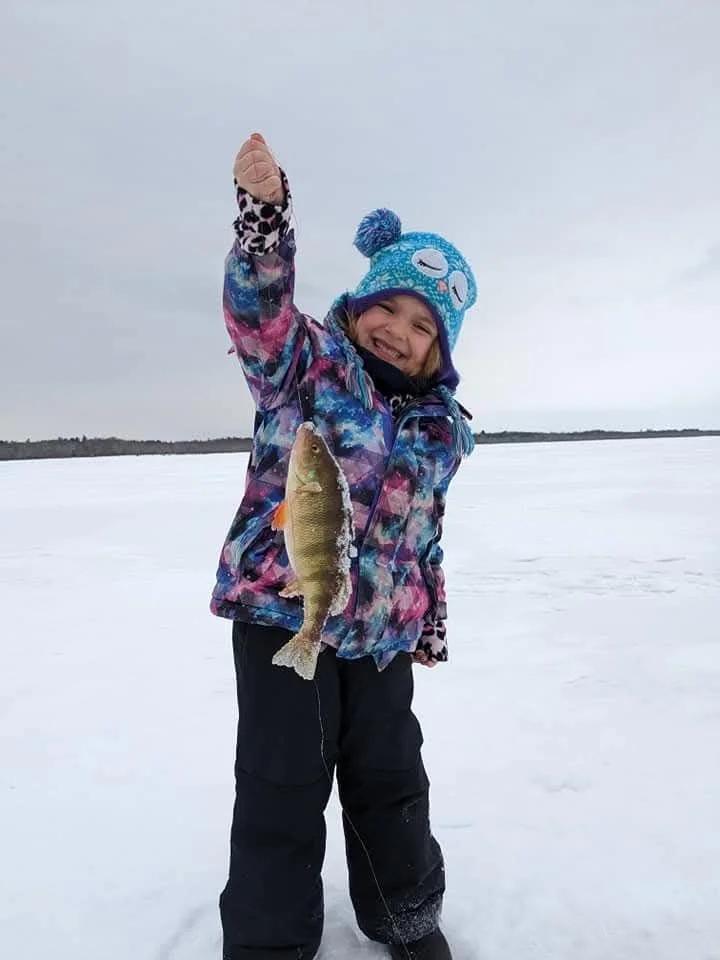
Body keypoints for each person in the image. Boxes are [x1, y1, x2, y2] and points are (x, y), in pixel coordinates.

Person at [211, 133, 478, 960]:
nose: (399, 332)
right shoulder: (308, 369)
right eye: (388, 309)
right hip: (284, 612)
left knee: (393, 782)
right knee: (281, 788)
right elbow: (260, 319)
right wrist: (265, 225)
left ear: (441, 349)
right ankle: (267, 947)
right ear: (358, 305)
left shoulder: (440, 429)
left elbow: (421, 537)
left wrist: (425, 620)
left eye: (423, 327)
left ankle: (407, 919)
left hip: (382, 636)